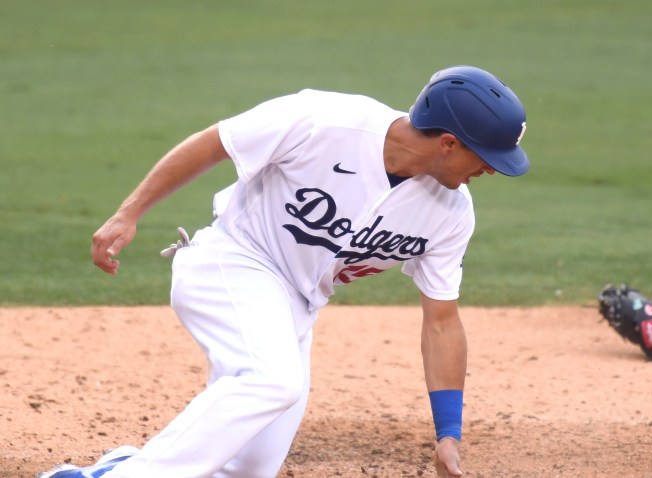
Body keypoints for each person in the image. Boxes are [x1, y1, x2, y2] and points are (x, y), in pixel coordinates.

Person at [41, 65, 530, 478]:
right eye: (486, 159)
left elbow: (441, 320)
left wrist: (448, 434)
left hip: (296, 305)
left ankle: (109, 468)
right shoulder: (323, 120)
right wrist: (129, 212)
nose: (490, 171)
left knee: (250, 466)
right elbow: (215, 143)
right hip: (232, 261)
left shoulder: (451, 213)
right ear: (448, 142)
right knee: (272, 381)